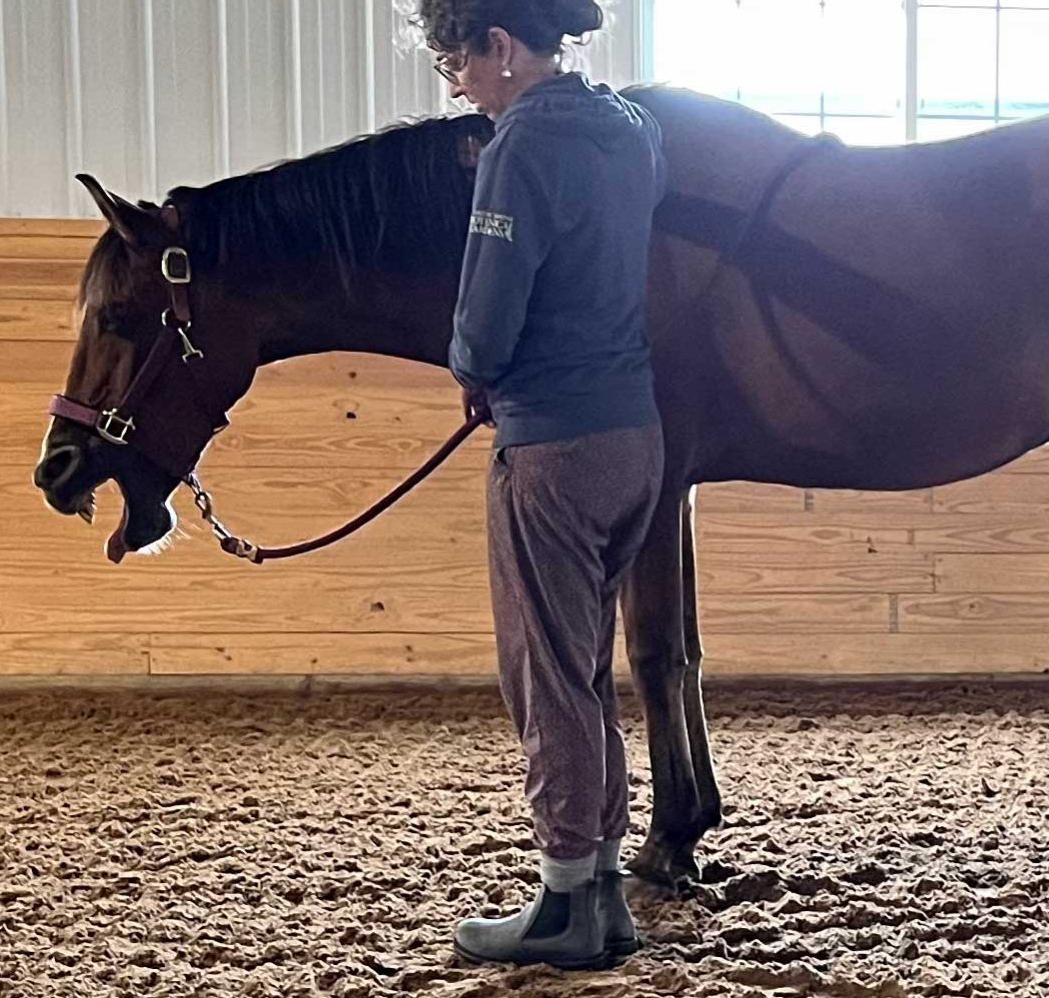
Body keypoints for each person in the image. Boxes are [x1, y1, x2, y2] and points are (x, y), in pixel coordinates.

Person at [416, 0, 668, 971]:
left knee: (545, 672)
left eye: (458, 63)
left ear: (503, 48)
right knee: (581, 666)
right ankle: (599, 883)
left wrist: (470, 366)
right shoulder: (633, 133)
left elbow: (486, 315)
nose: (458, 85)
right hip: (633, 438)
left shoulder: (518, 147)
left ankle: (564, 896)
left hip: (554, 445)